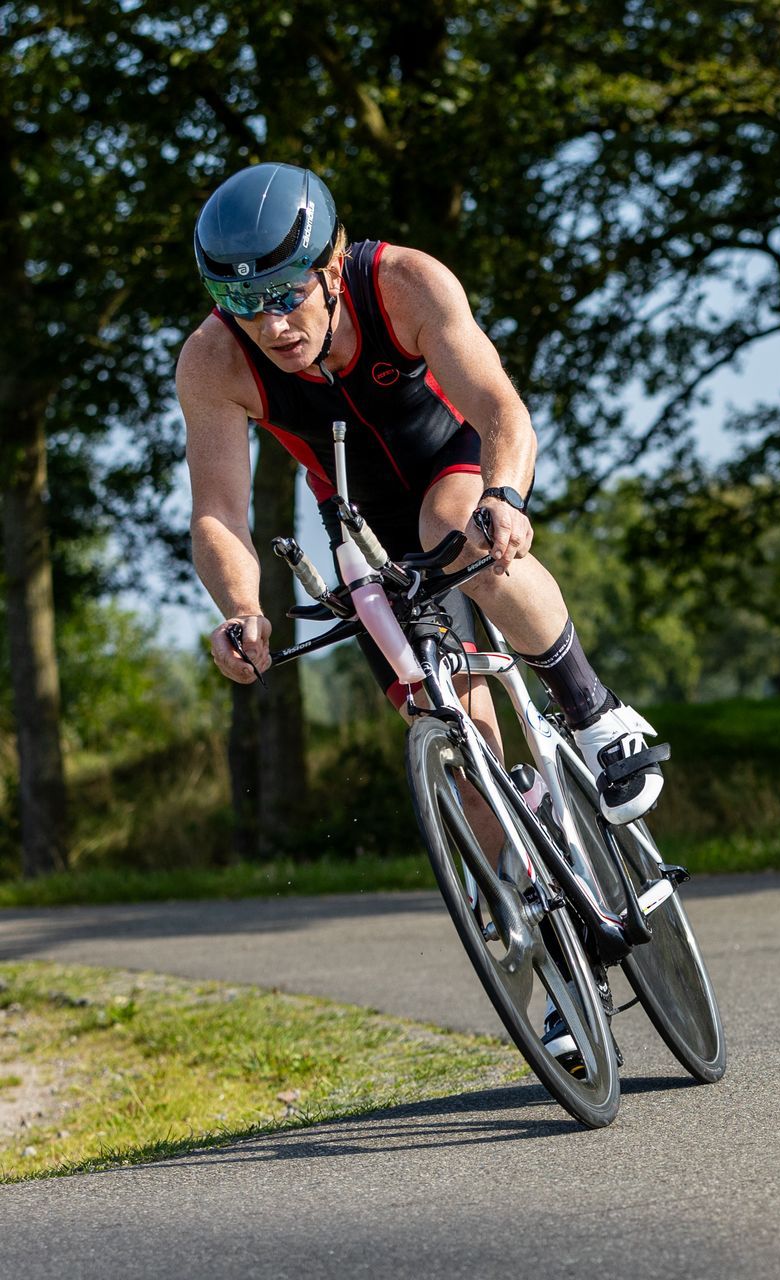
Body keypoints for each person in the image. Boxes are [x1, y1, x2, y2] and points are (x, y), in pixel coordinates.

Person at [177, 162, 660, 1072]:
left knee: (455, 533)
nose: (270, 324)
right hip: (360, 521)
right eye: (241, 302)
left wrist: (507, 496)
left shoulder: (402, 282)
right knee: (461, 745)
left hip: (456, 467)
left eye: (285, 294)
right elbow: (219, 515)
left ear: (329, 268)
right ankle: (566, 973)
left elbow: (501, 407)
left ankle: (595, 713)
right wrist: (241, 607)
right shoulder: (212, 360)